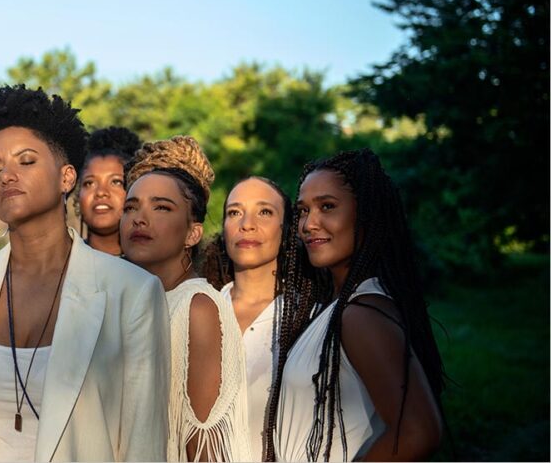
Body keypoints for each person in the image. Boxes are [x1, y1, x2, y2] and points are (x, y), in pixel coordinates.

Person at [0, 84, 170, 462]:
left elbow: (143, 446)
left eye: (26, 162)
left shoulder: (132, 292)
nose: (7, 177)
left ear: (67, 178)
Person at [269, 149, 445, 461]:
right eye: (303, 211)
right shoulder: (337, 307)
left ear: (367, 214)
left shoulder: (361, 314)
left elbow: (420, 432)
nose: (309, 224)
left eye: (327, 206)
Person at [121, 135, 251, 462]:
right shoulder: (134, 303)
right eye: (131, 207)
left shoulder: (197, 306)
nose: (140, 218)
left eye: (161, 207)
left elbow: (206, 449)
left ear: (192, 233)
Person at [205, 177, 310, 460]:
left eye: (264, 212)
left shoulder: (309, 317)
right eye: (234, 212)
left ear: (287, 229)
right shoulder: (200, 310)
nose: (246, 224)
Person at [77, 126, 142, 257]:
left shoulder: (154, 268)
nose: (101, 192)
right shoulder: (61, 266)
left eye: (116, 182)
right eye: (89, 183)